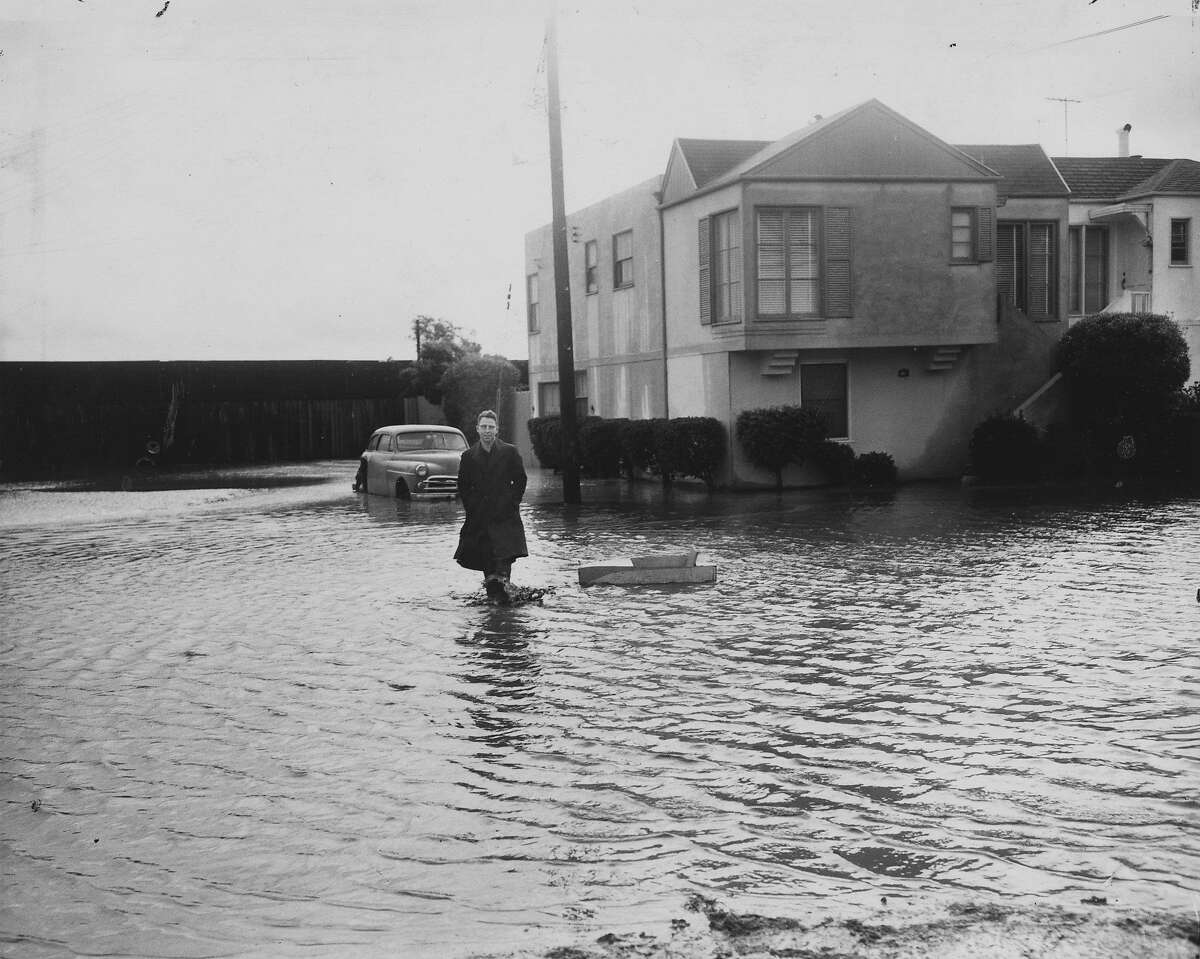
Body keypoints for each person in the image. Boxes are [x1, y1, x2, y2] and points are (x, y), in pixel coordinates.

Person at [454, 409, 528, 601]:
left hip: (505, 518)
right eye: (484, 427)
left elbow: (520, 480)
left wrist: (512, 503)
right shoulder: (468, 456)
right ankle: (493, 610)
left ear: (497, 430)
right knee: (488, 568)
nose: (487, 431)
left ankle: (505, 609)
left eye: (491, 427)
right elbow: (463, 485)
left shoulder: (509, 452)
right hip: (481, 520)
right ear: (477, 429)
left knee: (503, 567)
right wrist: (472, 507)